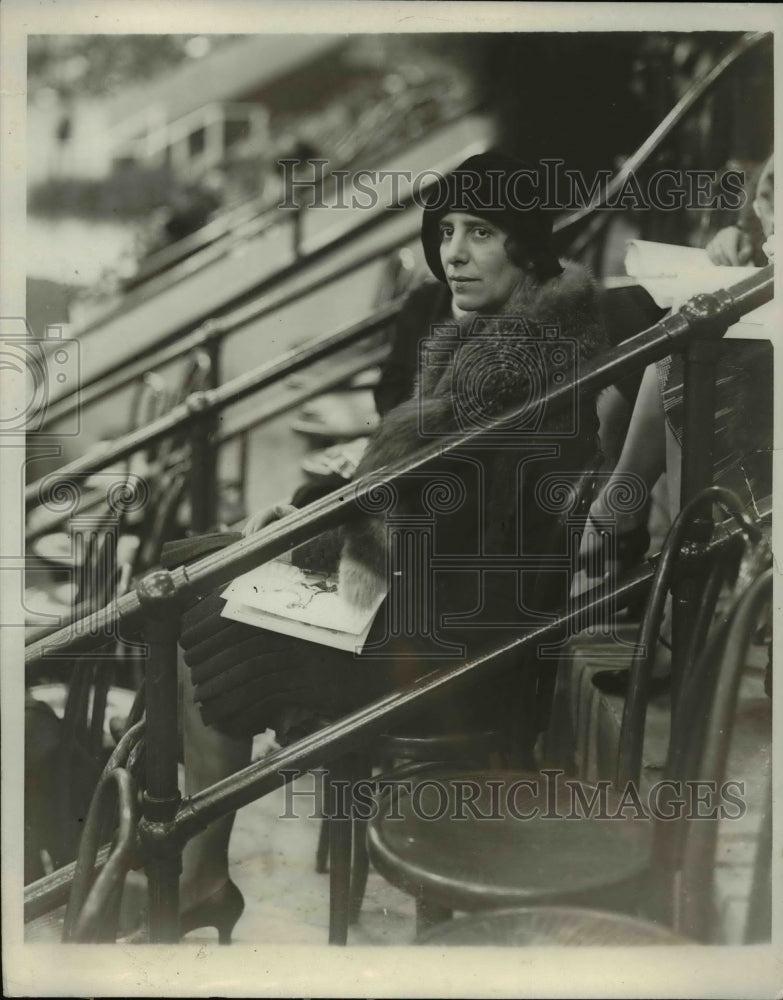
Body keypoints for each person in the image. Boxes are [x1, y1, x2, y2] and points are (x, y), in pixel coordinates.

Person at [173, 151, 609, 942]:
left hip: (448, 640)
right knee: (186, 563)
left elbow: (424, 515)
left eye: (480, 233)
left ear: (526, 246)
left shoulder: (516, 369)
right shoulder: (512, 334)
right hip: (425, 592)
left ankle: (197, 871)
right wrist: (304, 519)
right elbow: (410, 496)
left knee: (197, 607)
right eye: (446, 232)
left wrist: (301, 530)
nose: (453, 253)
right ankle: (184, 855)